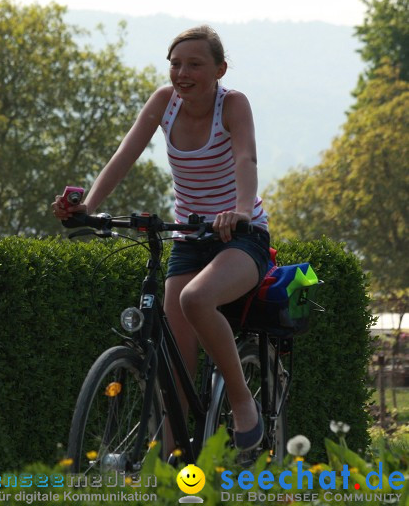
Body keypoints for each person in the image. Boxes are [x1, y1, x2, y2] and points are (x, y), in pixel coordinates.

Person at [52, 25, 271, 451]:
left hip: (241, 238)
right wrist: (89, 206)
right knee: (174, 360)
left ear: (220, 69)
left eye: (194, 64)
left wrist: (242, 211)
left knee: (194, 300)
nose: (181, 73)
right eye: (175, 64)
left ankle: (243, 401)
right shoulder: (163, 103)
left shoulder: (233, 104)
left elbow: (246, 157)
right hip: (189, 238)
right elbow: (124, 155)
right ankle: (173, 461)